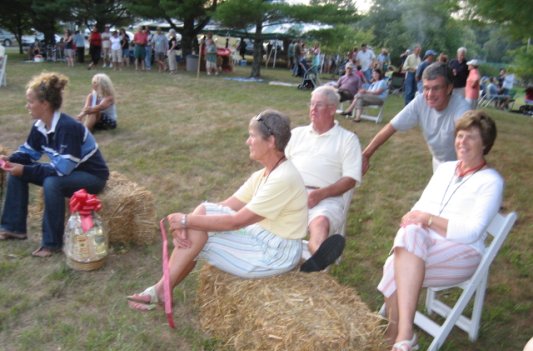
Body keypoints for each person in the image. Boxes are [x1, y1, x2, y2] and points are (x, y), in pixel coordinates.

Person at [127, 109, 308, 311]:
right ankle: (161, 292)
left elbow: (236, 222)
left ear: (271, 141)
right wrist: (187, 223)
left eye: (252, 136)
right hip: (262, 237)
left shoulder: (283, 178)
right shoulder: (264, 174)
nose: (247, 142)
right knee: (202, 218)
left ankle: (159, 292)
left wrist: (186, 222)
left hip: (276, 253)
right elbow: (223, 207)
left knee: (198, 237)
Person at [377, 110, 503, 351]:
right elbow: (421, 206)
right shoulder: (445, 169)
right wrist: (413, 217)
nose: (462, 142)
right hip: (424, 246)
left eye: (471, 137)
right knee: (408, 239)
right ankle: (402, 338)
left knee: (397, 261)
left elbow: (472, 232)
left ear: (485, 144)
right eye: (460, 135)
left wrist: (428, 219)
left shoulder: (491, 181)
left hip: (464, 253)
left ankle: (398, 334)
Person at [0, 72, 109, 257]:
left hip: (92, 177)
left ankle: (52, 244)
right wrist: (8, 160)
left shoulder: (68, 127)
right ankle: (13, 228)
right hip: (69, 172)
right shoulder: (40, 126)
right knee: (16, 172)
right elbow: (28, 153)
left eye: (31, 102)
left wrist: (25, 170)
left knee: (52, 183)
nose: (27, 106)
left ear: (45, 104)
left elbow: (62, 170)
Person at [285, 86, 362, 272]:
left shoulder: (347, 139)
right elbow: (280, 165)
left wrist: (321, 194)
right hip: (291, 193)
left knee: (320, 223)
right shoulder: (297, 134)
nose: (312, 109)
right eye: (311, 104)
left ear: (332, 109)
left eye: (318, 105)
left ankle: (318, 256)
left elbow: (350, 179)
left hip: (326, 197)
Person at [362, 62, 470, 174]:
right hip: (439, 164)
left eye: (436, 88)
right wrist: (366, 155)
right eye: (426, 88)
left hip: (463, 165)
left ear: (449, 88)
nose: (430, 94)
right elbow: (391, 127)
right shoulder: (420, 101)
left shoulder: (462, 109)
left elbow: (469, 141)